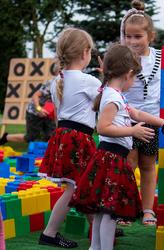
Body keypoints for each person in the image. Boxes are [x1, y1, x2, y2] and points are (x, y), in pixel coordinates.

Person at [70, 44, 164, 250]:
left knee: (104, 211)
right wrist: (133, 132)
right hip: (111, 159)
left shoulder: (114, 93)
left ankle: (95, 247)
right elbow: (102, 128)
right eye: (134, 78)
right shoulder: (112, 97)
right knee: (110, 213)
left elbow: (137, 114)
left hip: (111, 158)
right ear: (129, 74)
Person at [38, 27, 101, 248]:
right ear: (85, 53)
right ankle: (49, 233)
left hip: (63, 137)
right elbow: (110, 101)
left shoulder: (57, 81)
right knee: (76, 188)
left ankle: (98, 227)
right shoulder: (89, 81)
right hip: (78, 139)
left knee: (82, 185)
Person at [119, 0, 164, 225]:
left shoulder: (161, 58)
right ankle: (126, 209)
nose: (132, 41)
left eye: (138, 37)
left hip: (151, 121)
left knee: (148, 166)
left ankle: (148, 210)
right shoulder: (123, 57)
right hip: (126, 121)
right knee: (129, 165)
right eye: (128, 36)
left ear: (150, 36)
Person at [0, 75, 58, 145]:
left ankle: (48, 154)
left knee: (51, 136)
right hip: (34, 112)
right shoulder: (53, 83)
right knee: (30, 137)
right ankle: (6, 137)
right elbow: (35, 95)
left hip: (49, 113)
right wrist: (39, 109)